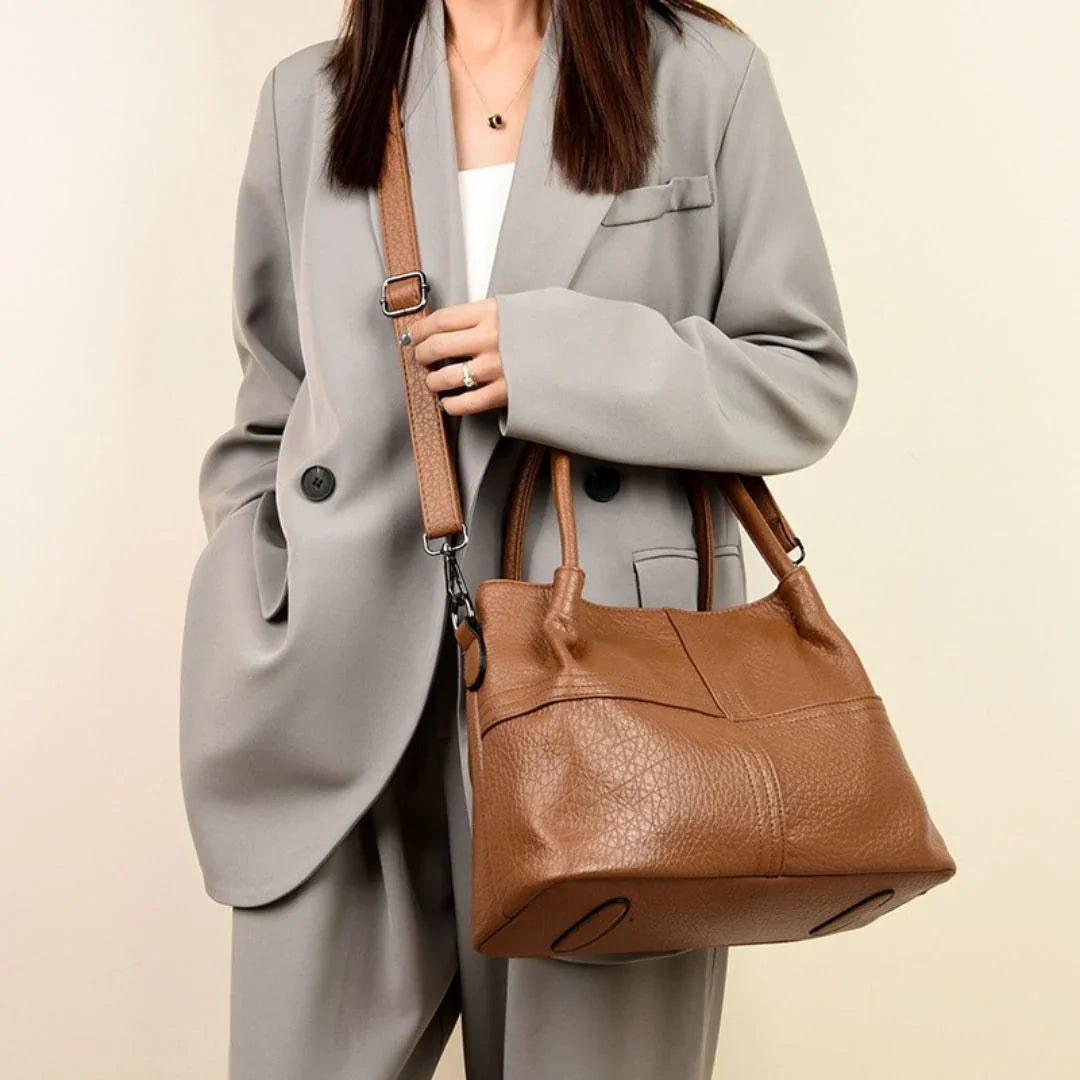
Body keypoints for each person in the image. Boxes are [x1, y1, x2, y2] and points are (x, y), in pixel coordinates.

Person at [177, 0, 859, 1076]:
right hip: (339, 694)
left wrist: (561, 357)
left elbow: (802, 375)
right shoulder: (310, 100)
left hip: (610, 705)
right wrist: (261, 573)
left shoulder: (700, 77)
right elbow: (271, 408)